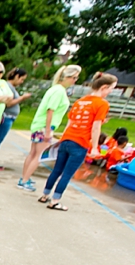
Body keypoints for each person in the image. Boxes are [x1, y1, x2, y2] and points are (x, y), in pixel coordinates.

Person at [37, 72, 118, 211]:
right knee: (67, 173)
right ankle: (55, 200)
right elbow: (95, 126)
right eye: (111, 88)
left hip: (68, 138)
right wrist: (94, 147)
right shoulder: (102, 104)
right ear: (104, 87)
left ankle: (45, 194)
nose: (111, 92)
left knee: (57, 170)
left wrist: (63, 138)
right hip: (80, 142)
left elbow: (71, 121)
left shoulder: (80, 101)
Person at [18, 64, 81, 191]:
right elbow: (50, 110)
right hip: (44, 126)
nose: (75, 81)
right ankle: (24, 181)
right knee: (39, 155)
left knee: (33, 153)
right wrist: (48, 130)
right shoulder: (58, 91)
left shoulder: (55, 89)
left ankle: (25, 177)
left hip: (39, 125)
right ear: (67, 77)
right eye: (74, 78)